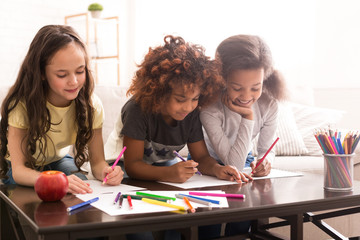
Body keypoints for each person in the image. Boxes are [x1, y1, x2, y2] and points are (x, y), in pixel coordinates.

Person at [0, 25, 124, 194]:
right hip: (18, 168)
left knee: (81, 186)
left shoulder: (91, 106)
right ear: (42, 73)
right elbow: (19, 171)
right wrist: (56, 180)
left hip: (57, 160)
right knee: (47, 193)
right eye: (62, 75)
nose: (73, 81)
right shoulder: (22, 106)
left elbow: (97, 163)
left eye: (80, 71)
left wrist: (106, 172)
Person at [120, 35, 250, 184]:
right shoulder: (138, 109)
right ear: (160, 92)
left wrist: (217, 169)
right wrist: (168, 173)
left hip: (162, 167)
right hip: (120, 169)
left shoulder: (191, 113)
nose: (189, 107)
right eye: (180, 100)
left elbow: (200, 158)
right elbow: (133, 166)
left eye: (195, 99)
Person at [200, 34, 287, 178]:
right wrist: (248, 116)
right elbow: (234, 164)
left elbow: (267, 149)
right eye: (237, 88)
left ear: (264, 79)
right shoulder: (210, 108)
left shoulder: (269, 104)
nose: (246, 97)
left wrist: (265, 161)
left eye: (255, 88)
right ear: (223, 79)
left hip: (245, 158)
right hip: (208, 163)